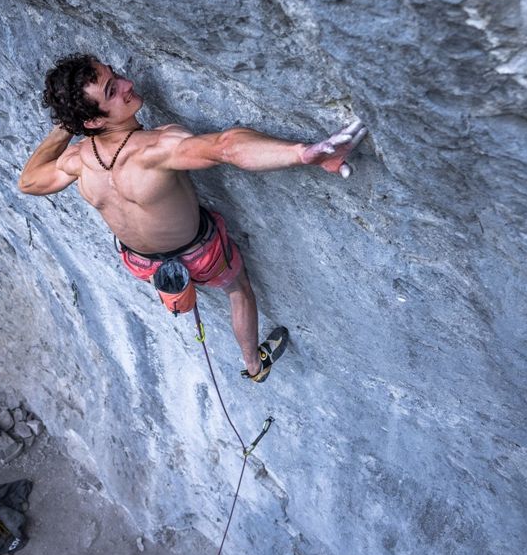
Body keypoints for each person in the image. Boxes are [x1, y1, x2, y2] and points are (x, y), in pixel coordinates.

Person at [19, 53, 367, 382]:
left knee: (179, 272)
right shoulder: (157, 147)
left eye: (114, 74)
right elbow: (226, 146)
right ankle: (253, 363)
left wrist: (69, 124)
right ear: (93, 120)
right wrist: (302, 154)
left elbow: (30, 181)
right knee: (239, 289)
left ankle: (179, 295)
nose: (126, 83)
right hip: (202, 255)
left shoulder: (77, 160)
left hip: (140, 262)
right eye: (112, 90)